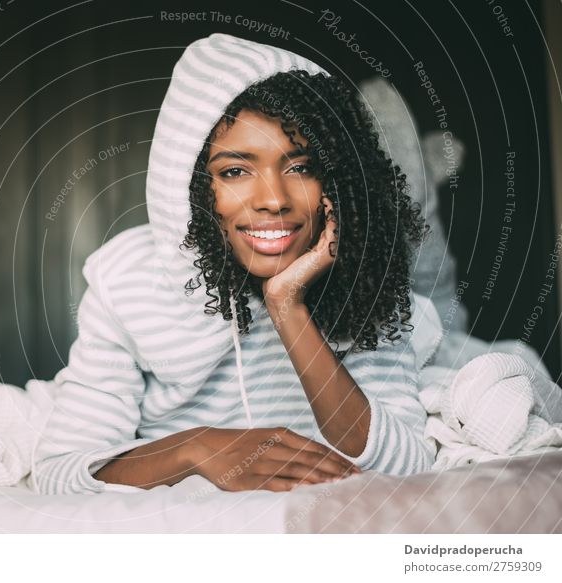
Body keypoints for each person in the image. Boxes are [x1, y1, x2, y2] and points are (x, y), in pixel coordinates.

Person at [32, 33, 436, 495]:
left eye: (301, 167)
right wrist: (196, 449)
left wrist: (288, 307)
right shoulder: (127, 277)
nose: (272, 200)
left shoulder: (365, 274)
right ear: (191, 185)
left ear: (337, 178)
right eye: (235, 171)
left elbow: (409, 465)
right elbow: (60, 473)